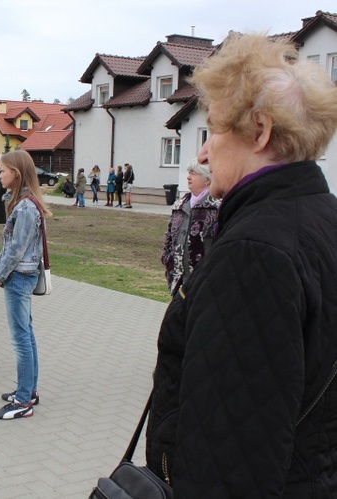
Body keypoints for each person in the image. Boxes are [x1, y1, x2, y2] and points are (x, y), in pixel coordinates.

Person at [144, 33, 337, 496]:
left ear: (261, 131)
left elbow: (227, 464)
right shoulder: (323, 217)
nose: (204, 153)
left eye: (213, 131)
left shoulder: (255, 253)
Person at [0, 149, 50, 420]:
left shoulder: (25, 207)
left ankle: (23, 400)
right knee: (27, 333)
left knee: (21, 338)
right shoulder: (22, 202)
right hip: (20, 275)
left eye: (2, 170)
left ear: (17, 173)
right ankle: (29, 389)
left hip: (18, 277)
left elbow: (15, 249)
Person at [160, 160, 219, 295]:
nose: (188, 177)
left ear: (207, 180)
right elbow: (169, 236)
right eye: (189, 173)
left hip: (205, 284)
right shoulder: (180, 205)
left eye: (193, 173)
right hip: (178, 282)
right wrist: (167, 258)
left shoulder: (217, 208)